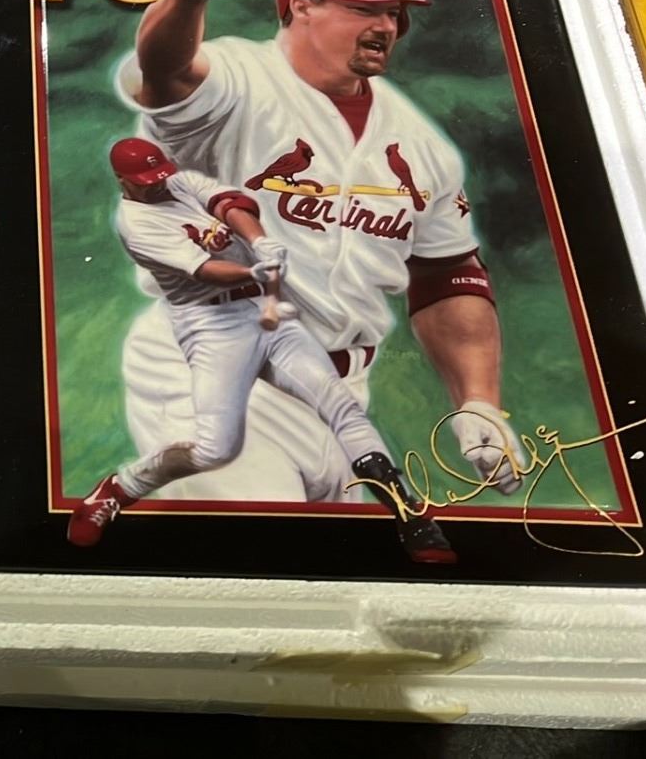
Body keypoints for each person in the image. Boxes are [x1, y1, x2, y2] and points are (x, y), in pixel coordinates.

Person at [115, 0, 527, 503]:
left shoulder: (421, 143)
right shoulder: (237, 79)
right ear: (301, 7)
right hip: (213, 363)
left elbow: (446, 273)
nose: (386, 25)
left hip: (340, 392)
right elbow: (164, 70)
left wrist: (478, 401)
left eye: (393, 12)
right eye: (363, 8)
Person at [67, 139, 455, 564]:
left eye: (160, 174)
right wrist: (252, 269)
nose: (158, 184)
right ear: (122, 181)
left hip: (261, 309)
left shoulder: (179, 183)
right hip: (211, 325)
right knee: (216, 450)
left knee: (339, 405)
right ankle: (121, 487)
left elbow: (229, 204)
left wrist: (260, 241)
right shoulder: (136, 223)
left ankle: (409, 515)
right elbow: (207, 271)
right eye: (146, 181)